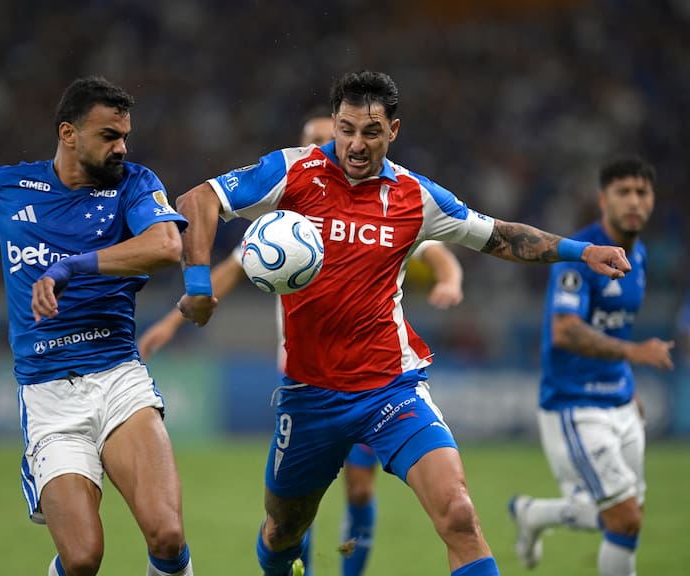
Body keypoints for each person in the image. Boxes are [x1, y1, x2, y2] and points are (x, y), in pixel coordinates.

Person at [174, 70, 631, 576]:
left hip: (389, 388)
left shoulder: (416, 196)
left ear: (393, 131)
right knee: (283, 530)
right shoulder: (293, 171)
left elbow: (499, 235)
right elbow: (199, 199)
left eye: (371, 132)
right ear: (334, 124)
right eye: (346, 129)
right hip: (310, 394)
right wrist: (198, 284)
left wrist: (581, 250)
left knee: (458, 514)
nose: (356, 143)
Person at [140, 112, 464, 576]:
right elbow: (225, 274)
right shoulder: (279, 224)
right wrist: (173, 321)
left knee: (359, 490)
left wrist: (449, 282)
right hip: (304, 378)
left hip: (369, 377)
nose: (330, 147)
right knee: (297, 507)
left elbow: (439, 252)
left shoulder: (388, 206)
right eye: (318, 139)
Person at [0, 77, 194, 576]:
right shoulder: (6, 188)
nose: (122, 147)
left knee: (168, 534)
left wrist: (70, 266)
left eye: (125, 136)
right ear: (68, 133)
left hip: (117, 377)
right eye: (109, 136)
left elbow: (165, 246)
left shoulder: (133, 184)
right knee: (83, 557)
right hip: (49, 397)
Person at [508, 156, 674, 575]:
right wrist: (635, 354)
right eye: (624, 192)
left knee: (627, 514)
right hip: (575, 405)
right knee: (625, 519)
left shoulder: (642, 256)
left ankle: (535, 515)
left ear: (653, 200)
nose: (634, 201)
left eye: (642, 192)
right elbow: (565, 330)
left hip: (619, 399)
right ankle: (535, 516)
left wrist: (628, 383)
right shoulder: (582, 256)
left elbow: (614, 329)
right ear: (604, 200)